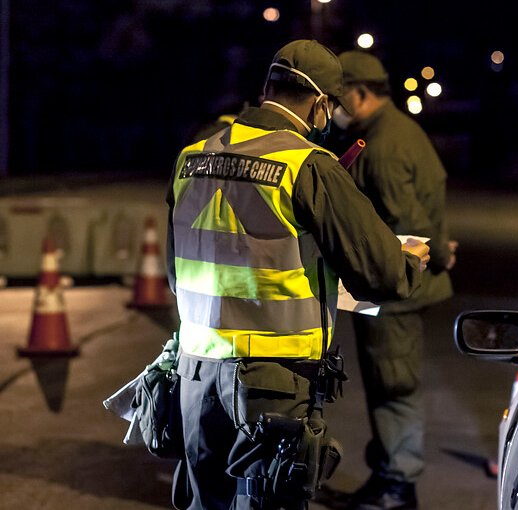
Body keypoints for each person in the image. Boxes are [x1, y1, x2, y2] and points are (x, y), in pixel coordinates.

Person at [165, 40, 430, 510]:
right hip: (272, 384)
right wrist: (410, 262)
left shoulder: (192, 158)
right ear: (320, 103)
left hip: (196, 377)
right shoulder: (307, 166)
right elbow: (380, 274)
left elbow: (178, 270)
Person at [330, 50, 455, 510]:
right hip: (391, 289)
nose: (334, 109)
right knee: (388, 383)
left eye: (339, 98)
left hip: (393, 292)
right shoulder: (396, 132)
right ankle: (388, 477)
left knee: (394, 385)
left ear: (361, 93)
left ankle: (397, 486)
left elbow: (409, 225)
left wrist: (438, 251)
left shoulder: (383, 146)